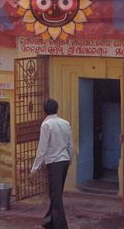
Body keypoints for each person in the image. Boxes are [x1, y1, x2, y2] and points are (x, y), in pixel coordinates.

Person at [31, 98, 74, 229]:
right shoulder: (65, 123)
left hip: (54, 162)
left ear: (44, 111)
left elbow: (42, 149)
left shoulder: (46, 125)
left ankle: (61, 225)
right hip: (64, 160)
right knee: (55, 193)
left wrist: (35, 168)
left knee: (56, 196)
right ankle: (50, 221)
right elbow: (70, 144)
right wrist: (70, 160)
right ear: (57, 109)